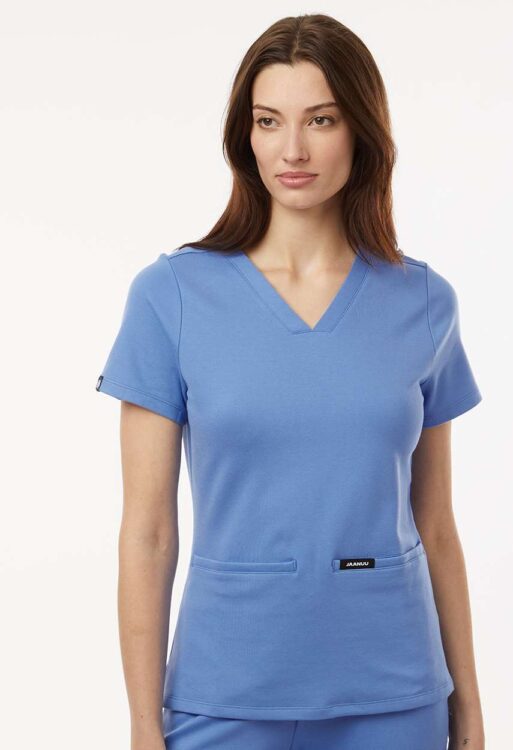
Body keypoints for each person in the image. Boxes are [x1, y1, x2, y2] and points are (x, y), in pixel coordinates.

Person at [96, 13, 486, 750]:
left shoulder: (425, 302)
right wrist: (144, 725)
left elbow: (437, 525)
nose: (293, 149)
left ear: (361, 130)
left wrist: (468, 705)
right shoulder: (171, 296)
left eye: (321, 119)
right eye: (269, 121)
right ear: (245, 135)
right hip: (224, 690)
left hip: (394, 690)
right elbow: (147, 533)